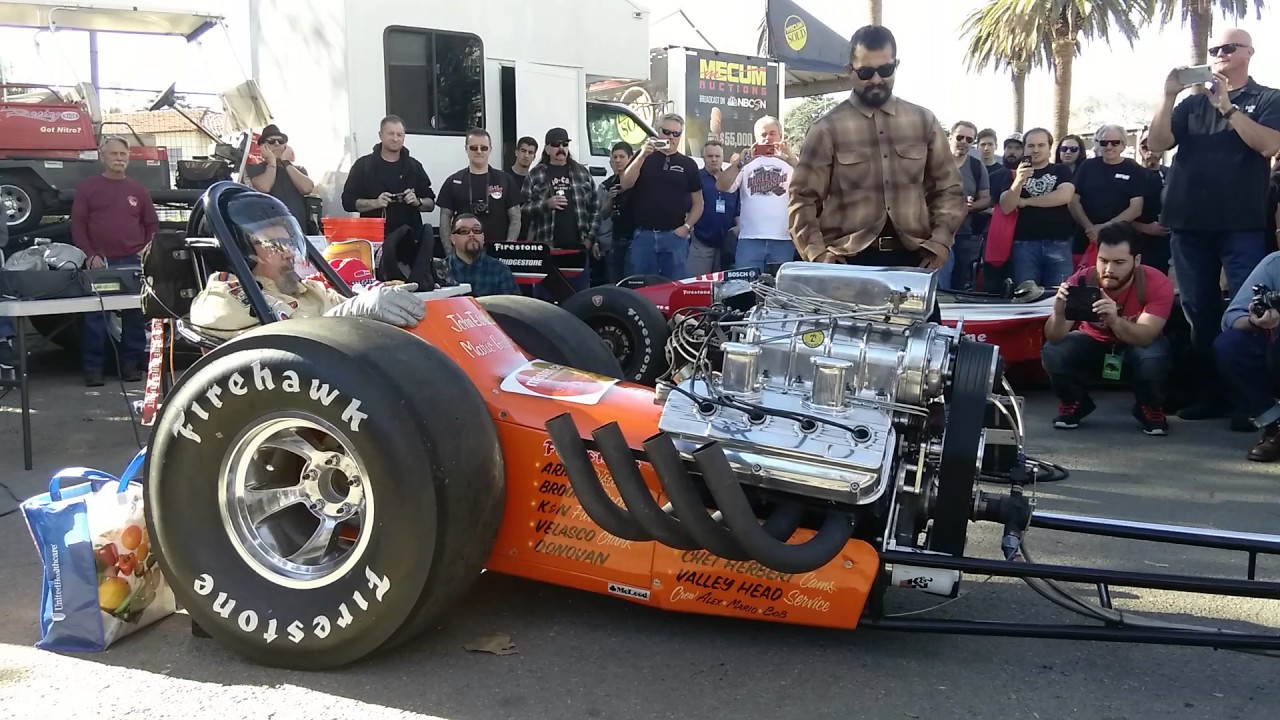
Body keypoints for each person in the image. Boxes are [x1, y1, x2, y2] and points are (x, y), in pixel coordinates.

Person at [1145, 27, 1280, 423]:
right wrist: (1168, 96)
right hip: (1189, 222)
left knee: (1248, 308)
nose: (1220, 52)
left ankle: (1250, 400)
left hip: (1242, 223)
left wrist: (1228, 108)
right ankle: (1211, 395)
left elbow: (1269, 145)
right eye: (1215, 48)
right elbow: (1157, 143)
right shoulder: (1191, 103)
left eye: (1229, 47)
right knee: (1198, 311)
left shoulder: (1268, 98)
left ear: (1249, 52)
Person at [788, 24, 964, 282]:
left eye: (886, 70)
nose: (876, 79)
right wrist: (818, 254)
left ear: (896, 65)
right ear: (850, 70)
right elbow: (802, 198)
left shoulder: (923, 121)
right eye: (866, 72)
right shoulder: (826, 129)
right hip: (847, 264)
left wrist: (940, 242)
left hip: (914, 262)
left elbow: (949, 188)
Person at [188, 195, 424, 340]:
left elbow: (359, 312)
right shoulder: (222, 298)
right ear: (241, 252)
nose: (289, 252)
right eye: (275, 245)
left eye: (289, 243)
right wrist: (345, 315)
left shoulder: (311, 290)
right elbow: (269, 353)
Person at [1041, 224, 1175, 435]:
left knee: (1152, 356)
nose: (1109, 269)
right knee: (1053, 351)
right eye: (1103, 260)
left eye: (1119, 262)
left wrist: (1115, 320)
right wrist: (1059, 313)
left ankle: (1149, 406)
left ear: (1136, 261)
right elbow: (1054, 337)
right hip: (1094, 343)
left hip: (1136, 345)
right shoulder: (1082, 281)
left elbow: (1146, 335)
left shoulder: (1155, 283)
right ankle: (1075, 401)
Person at [71, 136, 157, 387]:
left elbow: (151, 224)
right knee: (96, 318)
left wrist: (146, 250)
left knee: (134, 316)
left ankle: (131, 366)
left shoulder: (138, 190)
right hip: (101, 265)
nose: (119, 158)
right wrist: (90, 254)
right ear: (102, 156)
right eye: (114, 154)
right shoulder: (88, 189)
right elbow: (78, 224)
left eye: (123, 154)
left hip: (133, 263)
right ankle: (93, 369)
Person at [341, 115, 437, 268]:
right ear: (380, 135)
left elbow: (431, 203)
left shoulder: (414, 167)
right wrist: (375, 203)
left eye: (399, 134)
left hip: (409, 243)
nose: (395, 138)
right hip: (374, 243)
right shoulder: (364, 166)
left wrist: (417, 201)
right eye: (390, 133)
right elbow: (347, 202)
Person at [621, 112, 704, 279]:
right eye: (666, 132)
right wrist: (642, 155)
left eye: (676, 133)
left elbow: (699, 202)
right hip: (644, 235)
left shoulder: (688, 164)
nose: (671, 137)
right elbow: (625, 184)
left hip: (674, 235)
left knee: (675, 286)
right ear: (658, 132)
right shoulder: (643, 157)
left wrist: (686, 227)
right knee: (641, 286)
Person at [522, 127, 602, 291]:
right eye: (555, 144)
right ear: (547, 149)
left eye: (564, 144)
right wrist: (546, 204)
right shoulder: (535, 174)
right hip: (547, 249)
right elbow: (523, 209)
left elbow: (595, 209)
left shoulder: (582, 173)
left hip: (577, 249)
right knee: (546, 298)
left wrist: (589, 239)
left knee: (579, 297)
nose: (561, 148)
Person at [715, 115, 796, 273]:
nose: (768, 138)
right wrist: (740, 162)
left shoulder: (790, 163)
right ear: (756, 138)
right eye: (763, 134)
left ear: (780, 136)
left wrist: (791, 158)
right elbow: (721, 186)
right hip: (750, 238)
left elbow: (809, 183)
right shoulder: (745, 164)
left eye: (772, 133)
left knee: (779, 285)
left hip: (783, 238)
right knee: (745, 284)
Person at [998, 127, 1076, 287]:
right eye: (1031, 146)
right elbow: (1006, 207)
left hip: (1059, 244)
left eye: (1041, 145)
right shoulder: (1012, 174)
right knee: (1025, 294)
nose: (1036, 150)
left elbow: (1065, 196)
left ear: (1049, 148)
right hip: (1024, 245)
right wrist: (1018, 181)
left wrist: (1027, 202)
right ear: (1024, 148)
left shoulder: (1061, 170)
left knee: (1059, 294)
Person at [1067, 124, 1146, 270]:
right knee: (1081, 278)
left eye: (1115, 143)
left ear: (1123, 145)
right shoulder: (1087, 166)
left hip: (1118, 241)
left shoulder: (1133, 168)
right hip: (1084, 238)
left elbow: (1136, 208)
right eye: (1104, 143)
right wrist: (1090, 228)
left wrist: (1104, 228)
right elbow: (1073, 201)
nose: (1109, 147)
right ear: (1097, 144)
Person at [437, 128, 522, 255]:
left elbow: (515, 218)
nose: (479, 151)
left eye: (483, 148)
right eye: (473, 148)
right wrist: (450, 253)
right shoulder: (453, 181)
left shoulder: (505, 180)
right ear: (466, 149)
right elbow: (444, 220)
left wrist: (507, 249)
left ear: (490, 149)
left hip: (497, 253)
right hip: (463, 254)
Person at [938, 120, 991, 290]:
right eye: (960, 137)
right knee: (939, 284)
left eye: (969, 139)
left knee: (959, 284)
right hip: (936, 232)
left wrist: (969, 206)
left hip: (965, 235)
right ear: (949, 137)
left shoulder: (976, 167)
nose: (964, 142)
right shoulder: (932, 162)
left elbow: (985, 198)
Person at [245, 124, 314, 228]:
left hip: (298, 230)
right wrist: (272, 162)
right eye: (271, 141)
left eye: (281, 141)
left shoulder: (298, 170)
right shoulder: (254, 168)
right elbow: (264, 187)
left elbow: (307, 188)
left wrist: (286, 162)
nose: (277, 144)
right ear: (263, 147)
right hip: (269, 231)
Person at [690, 140, 739, 275]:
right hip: (701, 243)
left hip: (726, 246)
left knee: (723, 285)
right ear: (703, 157)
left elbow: (737, 210)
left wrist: (738, 229)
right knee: (697, 284)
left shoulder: (732, 179)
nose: (714, 159)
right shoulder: (695, 178)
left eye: (717, 156)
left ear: (723, 157)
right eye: (710, 156)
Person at [444, 213, 518, 297]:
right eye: (464, 231)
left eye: (476, 230)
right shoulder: (441, 271)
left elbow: (511, 304)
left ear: (483, 237)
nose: (471, 234)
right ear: (453, 239)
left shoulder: (500, 270)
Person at [598, 142, 636, 284]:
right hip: (615, 239)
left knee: (632, 282)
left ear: (631, 158)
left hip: (635, 238)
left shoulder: (639, 182)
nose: (618, 160)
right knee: (614, 282)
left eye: (622, 157)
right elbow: (602, 215)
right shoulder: (607, 185)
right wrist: (611, 199)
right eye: (615, 157)